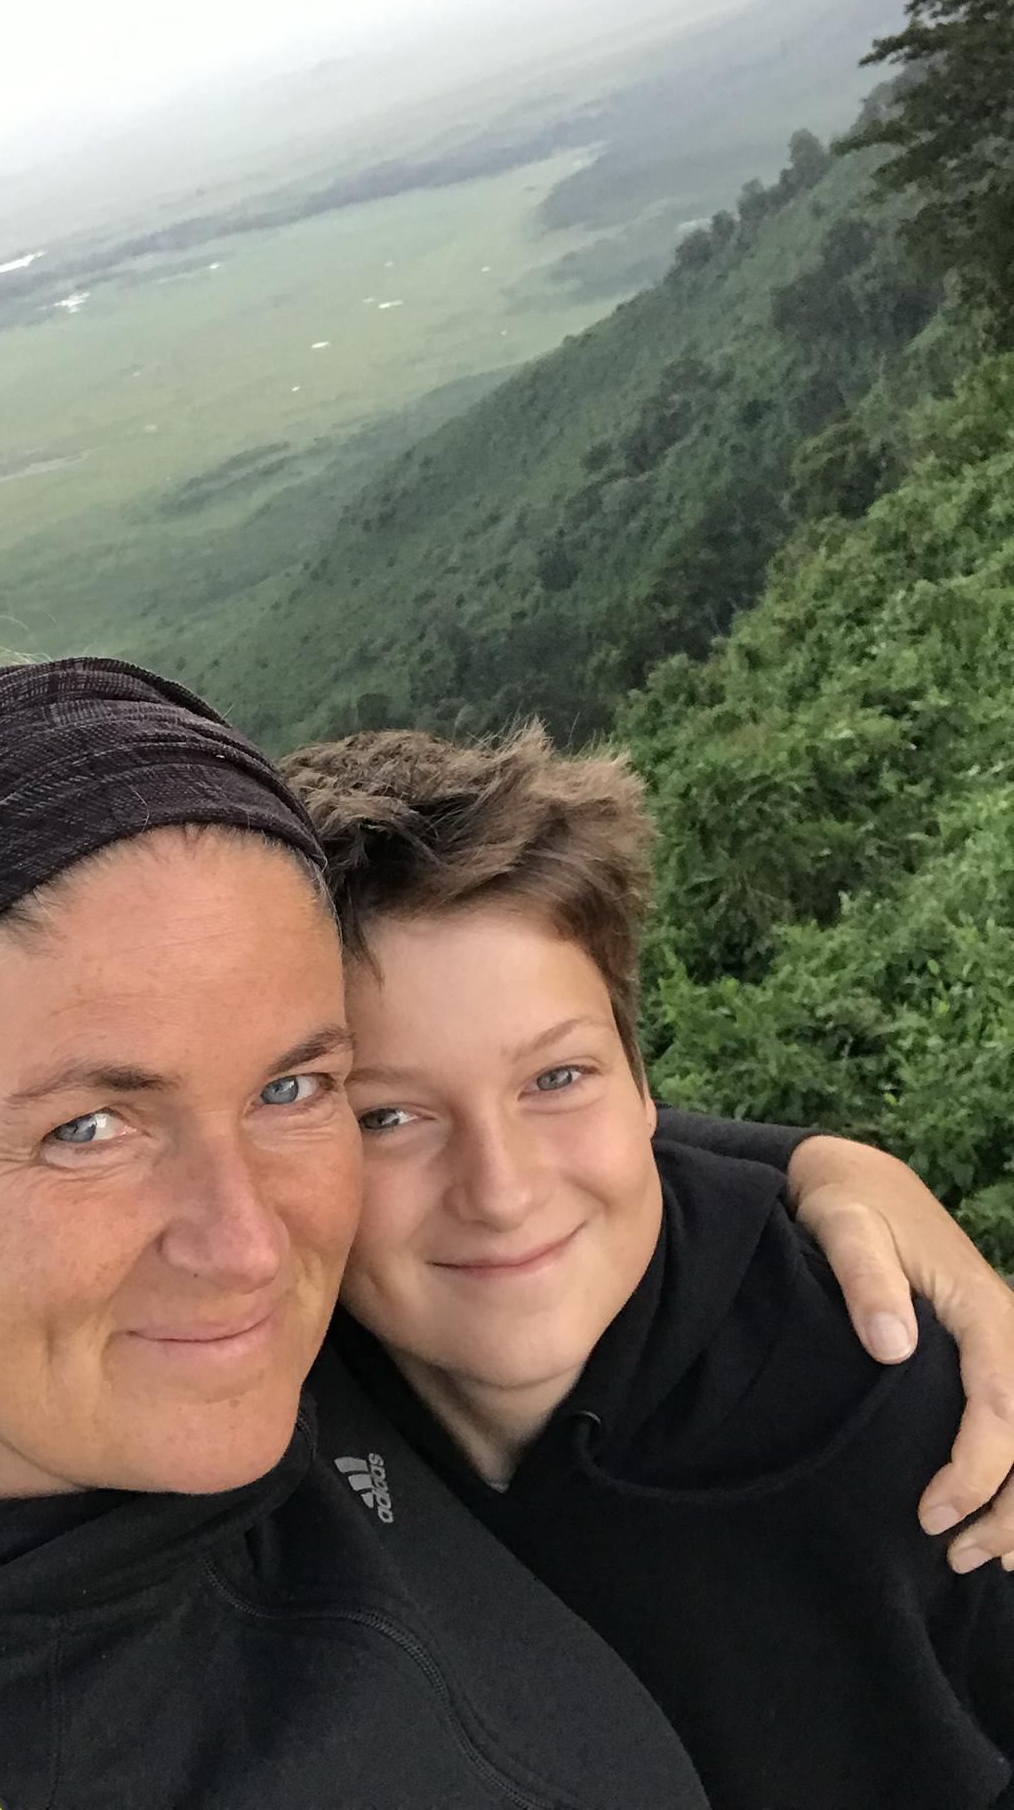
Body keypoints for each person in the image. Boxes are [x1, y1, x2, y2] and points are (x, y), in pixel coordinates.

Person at [0, 659, 1014, 1810]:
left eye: (297, 1089)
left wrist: (821, 1171)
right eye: (91, 1127)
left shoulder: (279, 1365)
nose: (246, 1243)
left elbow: (530, 1166)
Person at [283, 722, 1014, 1810]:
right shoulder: (260, 1385)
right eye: (389, 1114)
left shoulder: (902, 1400)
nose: (503, 1187)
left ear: (640, 1084)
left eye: (557, 1076)